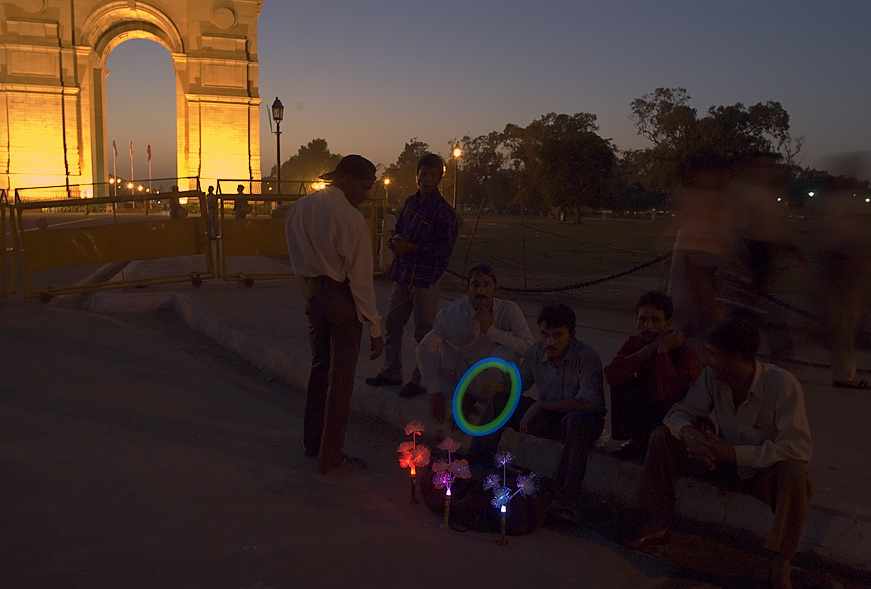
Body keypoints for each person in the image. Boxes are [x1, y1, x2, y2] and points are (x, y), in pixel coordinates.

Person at [627, 318, 812, 589]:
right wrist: (690, 435)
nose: (706, 359)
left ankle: (781, 560)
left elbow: (800, 447)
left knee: (795, 475)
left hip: (760, 472)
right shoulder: (712, 377)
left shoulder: (782, 385)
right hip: (718, 462)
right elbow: (682, 412)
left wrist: (736, 454)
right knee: (663, 437)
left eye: (713, 354)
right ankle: (657, 520)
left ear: (737, 358)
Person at [284, 155, 385, 475]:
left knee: (319, 370)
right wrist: (374, 325)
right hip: (340, 299)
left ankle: (312, 442)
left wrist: (310, 294)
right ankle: (332, 455)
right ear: (349, 180)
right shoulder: (351, 218)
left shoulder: (299, 208)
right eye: (366, 187)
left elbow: (296, 258)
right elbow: (361, 278)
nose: (367, 195)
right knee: (341, 380)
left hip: (313, 295)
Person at [468, 303, 606, 521]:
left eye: (557, 335)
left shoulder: (586, 356)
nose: (549, 342)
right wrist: (498, 387)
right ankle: (477, 465)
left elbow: (590, 403)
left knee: (576, 421)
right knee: (501, 402)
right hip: (548, 418)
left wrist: (540, 405)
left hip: (582, 420)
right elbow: (519, 385)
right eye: (544, 335)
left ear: (572, 334)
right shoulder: (536, 352)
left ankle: (566, 499)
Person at [366, 153, 458, 398]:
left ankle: (422, 379)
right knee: (393, 323)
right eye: (423, 174)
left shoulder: (443, 212)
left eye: (432, 175)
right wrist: (395, 241)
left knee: (424, 332)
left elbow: (444, 249)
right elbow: (400, 228)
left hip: (426, 278)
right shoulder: (410, 203)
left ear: (440, 178)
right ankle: (391, 371)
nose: (426, 180)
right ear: (416, 175)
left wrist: (413, 249)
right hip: (404, 274)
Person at [416, 263, 534, 423]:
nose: (481, 291)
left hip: (498, 383)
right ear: (468, 289)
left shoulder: (509, 310)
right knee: (435, 353)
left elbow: (530, 349)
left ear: (496, 289)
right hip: (468, 375)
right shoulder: (453, 313)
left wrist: (491, 330)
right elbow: (424, 347)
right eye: (476, 285)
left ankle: (495, 404)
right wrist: (434, 392)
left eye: (486, 285)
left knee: (503, 353)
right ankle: (466, 397)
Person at [604, 291, 702, 459]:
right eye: (642, 320)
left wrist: (662, 350)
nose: (647, 326)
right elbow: (611, 375)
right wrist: (646, 352)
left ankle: (653, 445)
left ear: (668, 323)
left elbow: (668, 392)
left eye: (655, 320)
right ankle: (637, 441)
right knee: (621, 378)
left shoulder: (686, 352)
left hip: (673, 416)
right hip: (646, 408)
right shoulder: (637, 343)